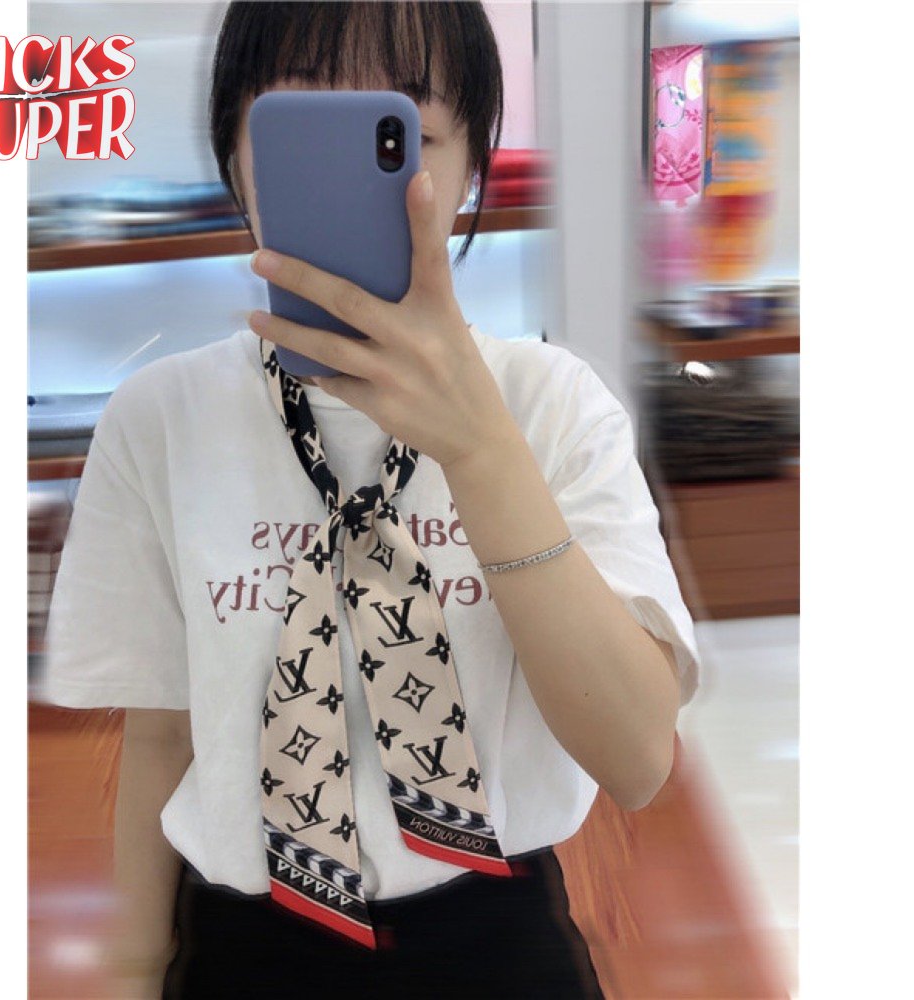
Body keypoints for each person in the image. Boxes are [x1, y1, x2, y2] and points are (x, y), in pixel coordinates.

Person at [40, 3, 702, 998]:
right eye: (299, 129)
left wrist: (479, 448)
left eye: (402, 135)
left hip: (493, 938)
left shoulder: (549, 405)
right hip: (242, 945)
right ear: (236, 156)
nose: (351, 174)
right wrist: (130, 968)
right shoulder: (159, 418)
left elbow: (637, 760)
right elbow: (164, 731)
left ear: (472, 164)